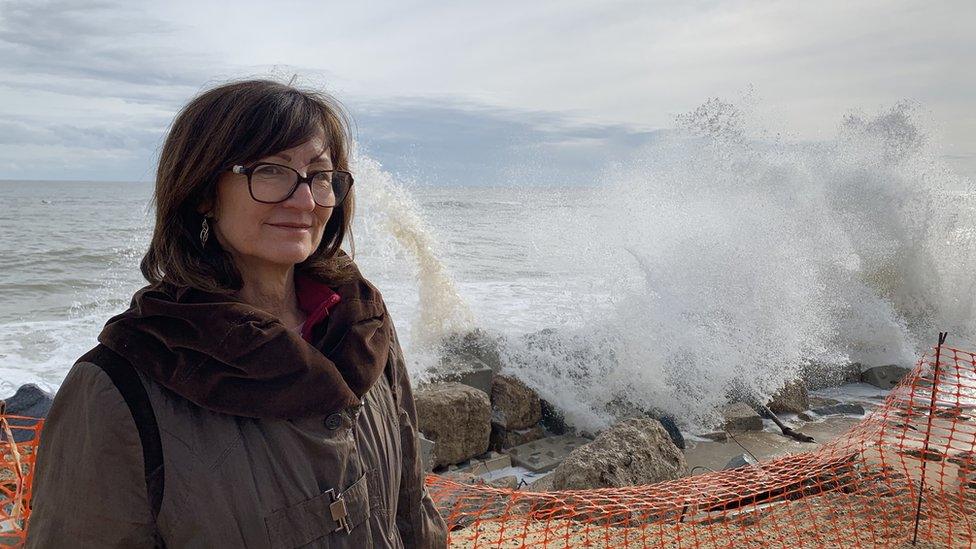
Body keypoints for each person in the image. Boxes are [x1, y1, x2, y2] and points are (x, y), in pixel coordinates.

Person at [25, 79, 448, 548]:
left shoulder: (361, 325)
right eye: (271, 171)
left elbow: (411, 510)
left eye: (321, 175)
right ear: (203, 191)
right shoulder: (122, 383)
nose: (305, 200)